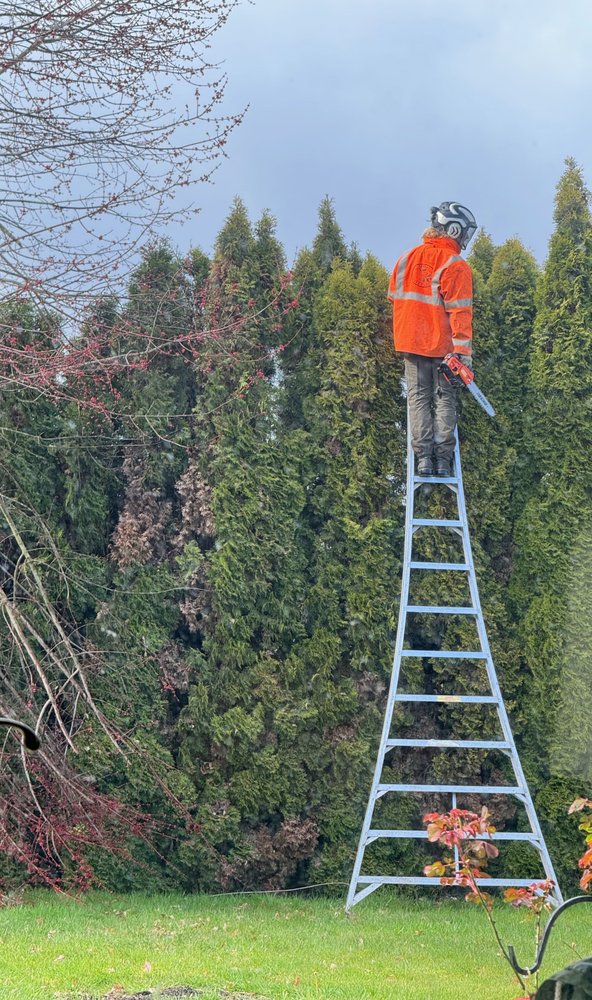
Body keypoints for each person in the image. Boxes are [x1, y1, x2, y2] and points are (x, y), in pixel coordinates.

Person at [388, 202, 477, 478]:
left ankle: (423, 458)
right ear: (452, 229)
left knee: (417, 398)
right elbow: (461, 312)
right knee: (444, 399)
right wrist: (463, 353)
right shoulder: (455, 264)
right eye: (462, 233)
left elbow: (395, 297)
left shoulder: (406, 258)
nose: (464, 239)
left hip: (410, 344)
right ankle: (442, 459)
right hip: (442, 347)